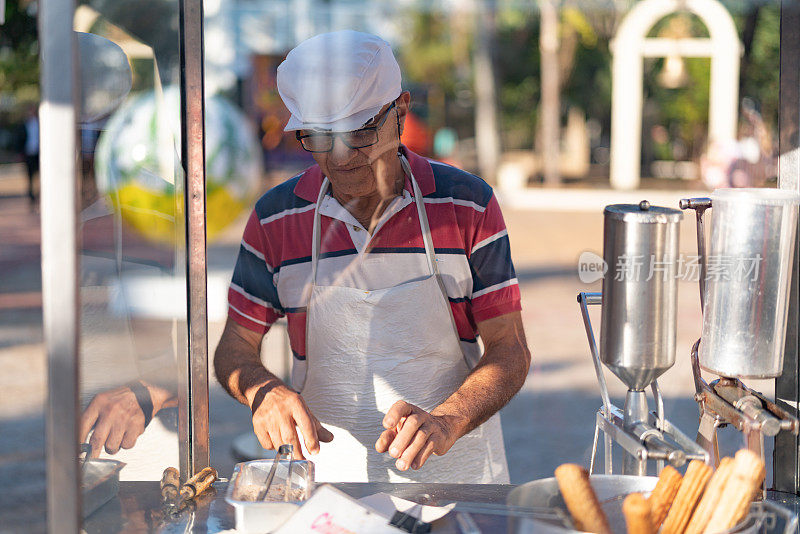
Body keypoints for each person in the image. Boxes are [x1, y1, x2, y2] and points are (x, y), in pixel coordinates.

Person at [214, 30, 531, 483]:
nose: (341, 157)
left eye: (359, 133)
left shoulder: (467, 205)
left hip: (459, 477)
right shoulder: (276, 218)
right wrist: (263, 390)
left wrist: (448, 420)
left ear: (401, 110)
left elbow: (510, 349)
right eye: (320, 137)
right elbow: (234, 347)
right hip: (326, 483)